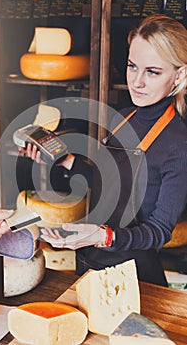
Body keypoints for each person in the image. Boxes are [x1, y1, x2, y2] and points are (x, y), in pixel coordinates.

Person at [20, 14, 187, 286]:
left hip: (134, 279)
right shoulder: (123, 118)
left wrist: (105, 236)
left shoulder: (178, 146)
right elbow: (108, 183)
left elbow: (158, 231)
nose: (137, 81)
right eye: (133, 66)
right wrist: (65, 160)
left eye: (152, 72)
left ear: (179, 75)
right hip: (87, 263)